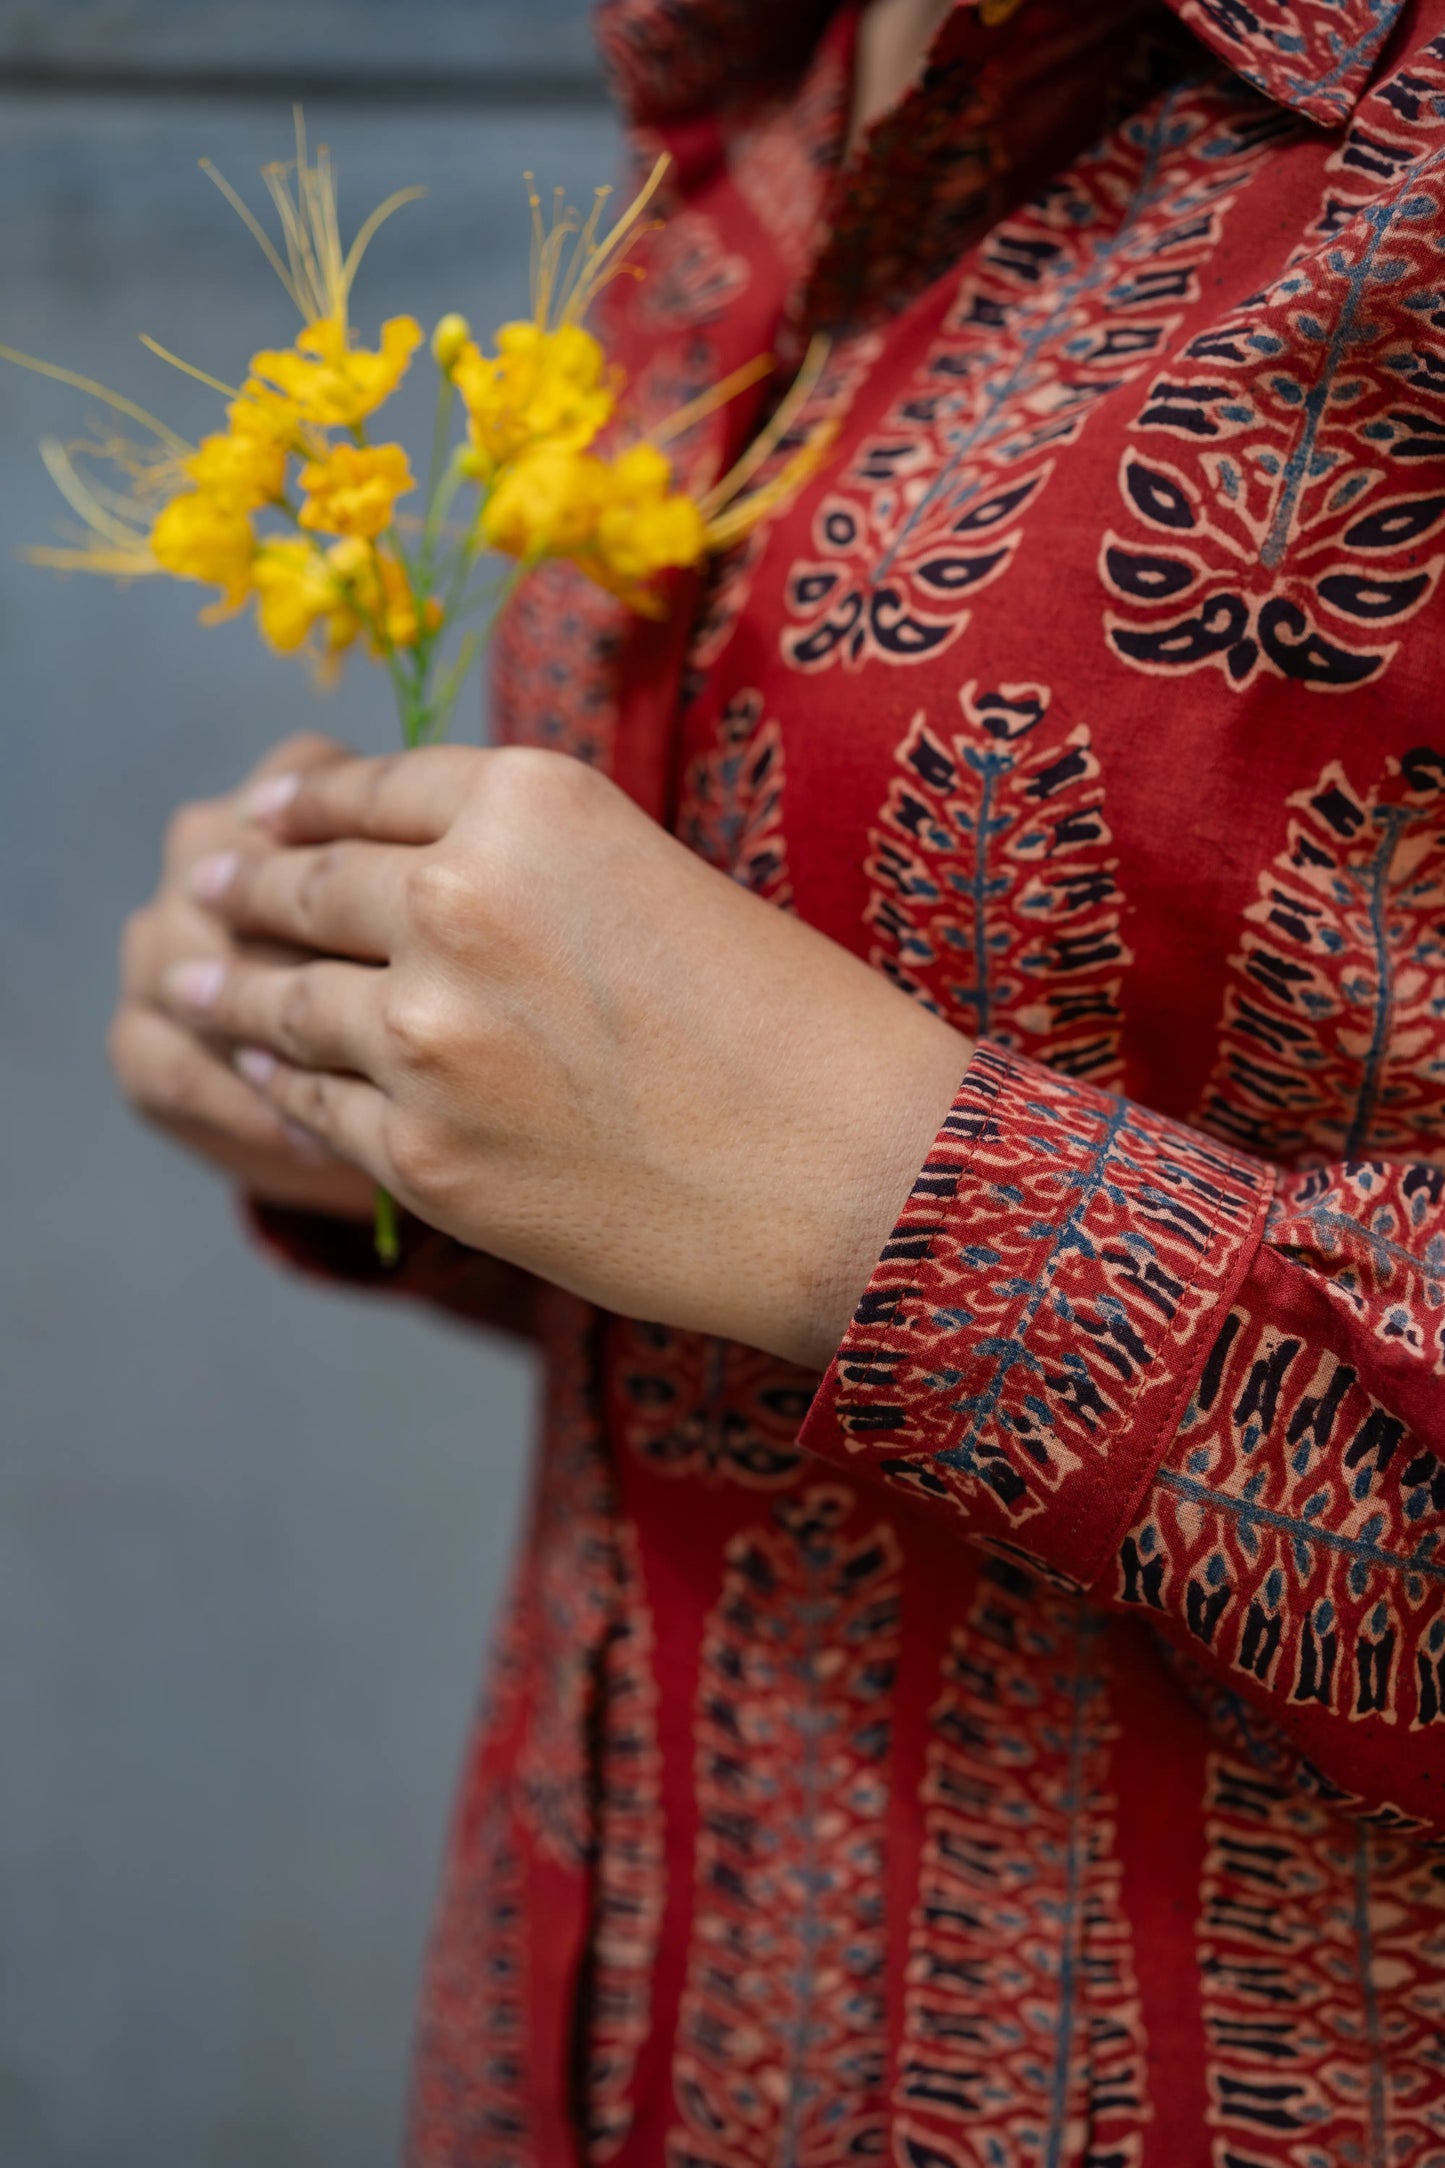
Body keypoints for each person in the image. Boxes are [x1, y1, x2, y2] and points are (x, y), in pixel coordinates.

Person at [110, 0, 1445, 2160]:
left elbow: (835, 1152)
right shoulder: (750, 86)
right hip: (588, 2019)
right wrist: (392, 1078)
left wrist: (886, 1200)